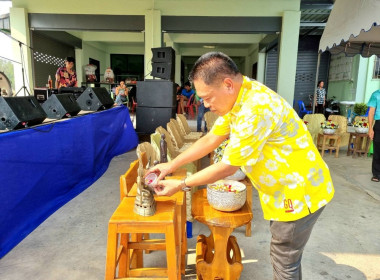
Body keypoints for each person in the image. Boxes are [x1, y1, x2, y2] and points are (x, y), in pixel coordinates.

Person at [147, 52, 334, 279]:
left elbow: (227, 166)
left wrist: (181, 183)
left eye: (207, 97)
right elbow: (211, 138)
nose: (205, 105)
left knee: (284, 258)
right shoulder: (240, 95)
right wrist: (170, 165)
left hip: (299, 192)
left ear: (227, 84)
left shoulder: (255, 108)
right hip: (284, 189)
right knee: (285, 257)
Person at [367, 89, 380, 182]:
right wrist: (370, 128)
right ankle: (376, 174)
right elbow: (371, 112)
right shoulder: (376, 94)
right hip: (379, 124)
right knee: (378, 149)